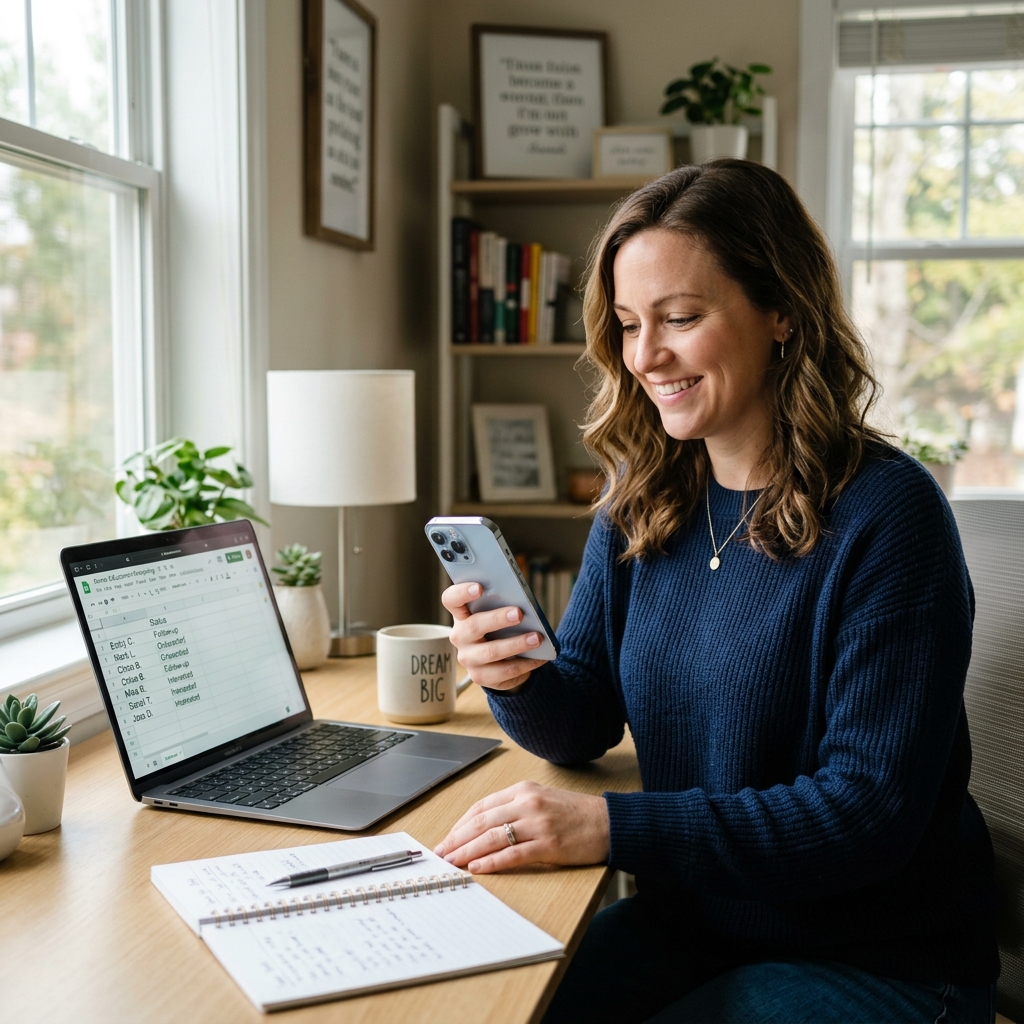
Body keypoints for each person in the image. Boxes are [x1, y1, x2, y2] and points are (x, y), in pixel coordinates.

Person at [433, 161, 1000, 1024]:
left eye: (681, 318)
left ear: (782, 313)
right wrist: (515, 676)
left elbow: (868, 812)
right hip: (698, 927)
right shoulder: (642, 499)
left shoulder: (890, 514)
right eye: (629, 325)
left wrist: (612, 829)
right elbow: (580, 722)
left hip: (882, 961)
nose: (645, 356)